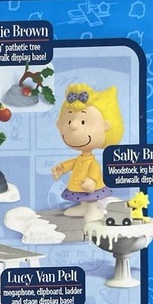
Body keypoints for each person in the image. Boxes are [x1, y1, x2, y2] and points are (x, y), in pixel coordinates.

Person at [51, 84, 124, 217]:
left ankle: (92, 209)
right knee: (83, 197)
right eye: (68, 121)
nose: (73, 125)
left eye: (83, 122)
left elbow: (95, 169)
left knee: (90, 197)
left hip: (91, 187)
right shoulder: (80, 158)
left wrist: (92, 180)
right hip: (79, 187)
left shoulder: (91, 161)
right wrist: (62, 168)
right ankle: (84, 207)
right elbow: (73, 163)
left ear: (105, 126)